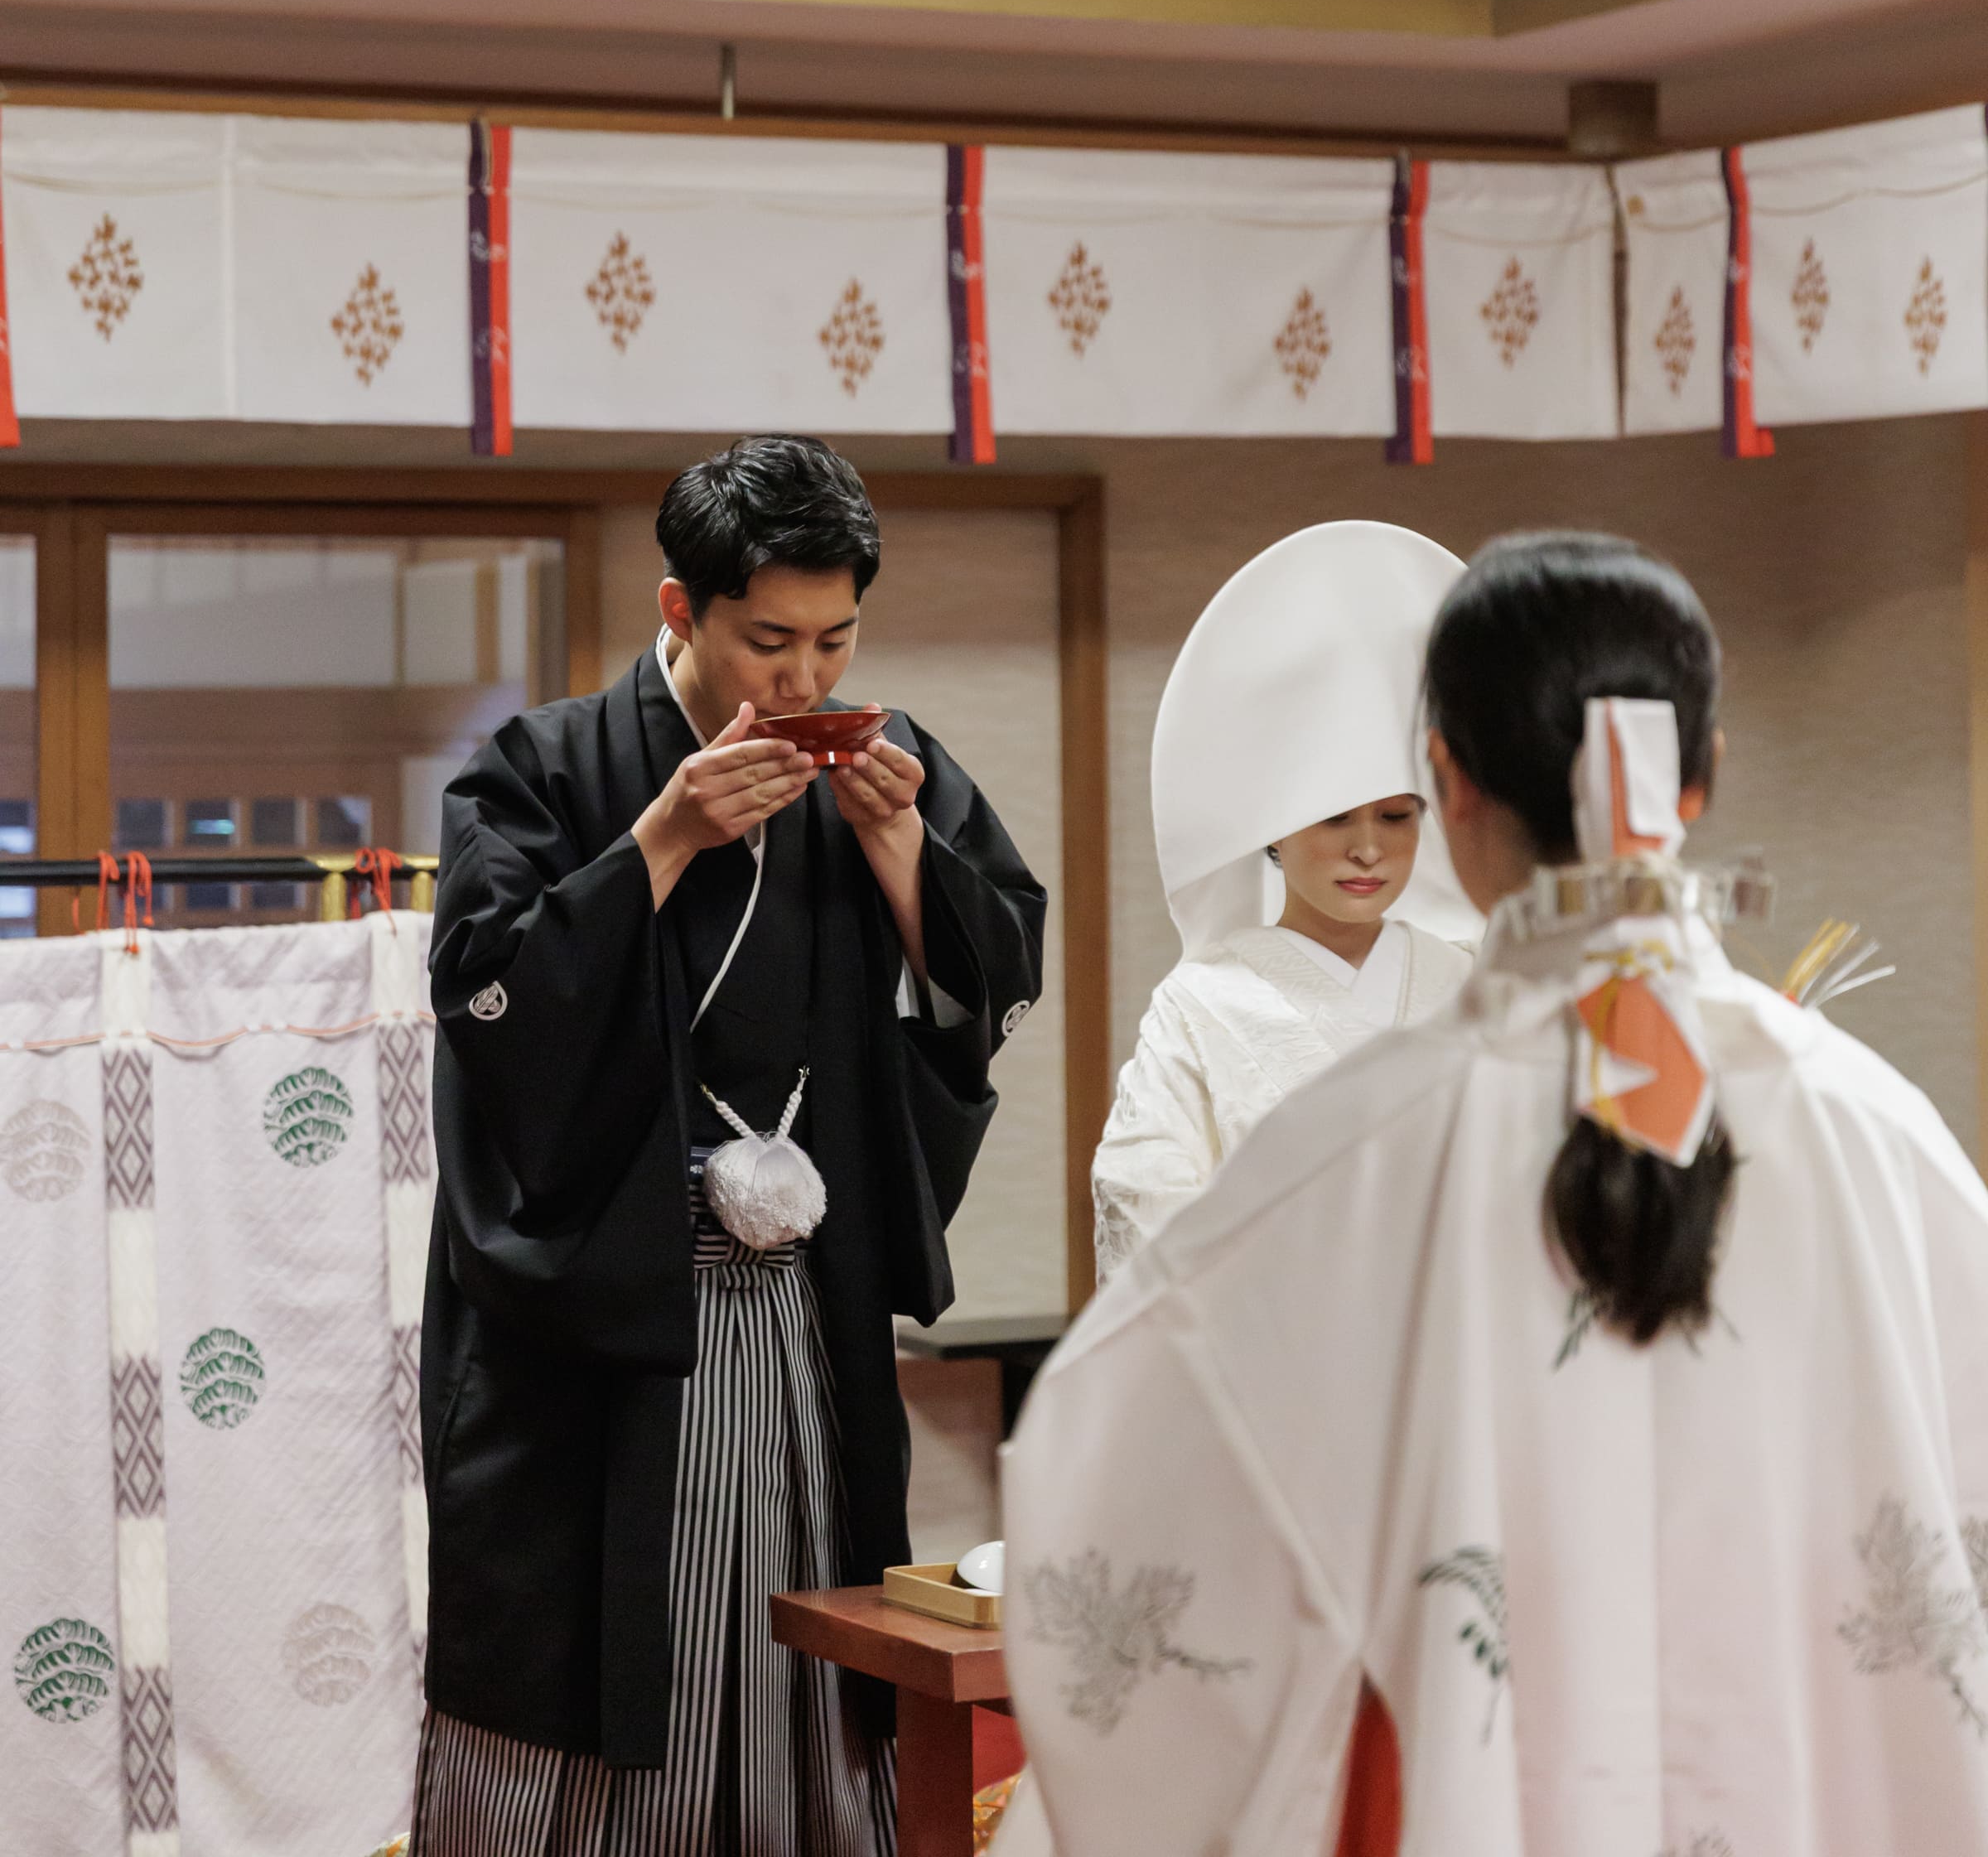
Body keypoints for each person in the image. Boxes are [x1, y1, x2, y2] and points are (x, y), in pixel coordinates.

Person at [1001, 532, 1988, 1857]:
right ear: (1701, 776)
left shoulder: (1352, 1153)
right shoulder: (1877, 1130)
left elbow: (1108, 1534)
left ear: (1448, 786)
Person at [411, 437, 1045, 1857]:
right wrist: (659, 838)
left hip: (804, 1315)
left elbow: (994, 974)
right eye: (768, 640)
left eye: (835, 640)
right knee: (605, 1660)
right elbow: (483, 993)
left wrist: (899, 860)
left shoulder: (891, 766)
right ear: (679, 609)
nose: (804, 682)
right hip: (609, 1320)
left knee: (811, 1653)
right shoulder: (549, 764)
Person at [1091, 521, 1479, 1280]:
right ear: (1271, 831)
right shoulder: (1201, 1005)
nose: (1368, 848)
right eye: (1336, 818)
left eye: (1395, 817)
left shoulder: (1473, 988)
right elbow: (1141, 1196)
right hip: (1274, 1349)